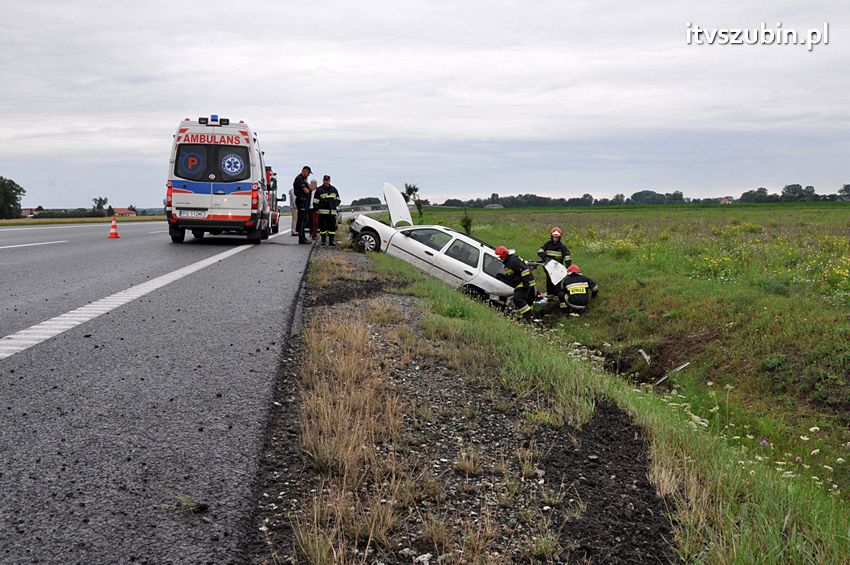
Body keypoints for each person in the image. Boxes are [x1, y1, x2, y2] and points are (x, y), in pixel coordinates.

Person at [494, 245, 537, 321]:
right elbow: (513, 275)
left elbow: (524, 270)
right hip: (523, 281)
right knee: (525, 303)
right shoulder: (509, 260)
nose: (501, 259)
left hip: (525, 282)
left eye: (501, 257)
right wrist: (502, 277)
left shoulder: (512, 261)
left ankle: (530, 318)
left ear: (504, 255)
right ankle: (521, 318)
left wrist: (526, 284)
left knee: (518, 299)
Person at [537, 226, 572, 310]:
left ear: (559, 237)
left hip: (557, 269)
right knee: (549, 281)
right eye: (554, 236)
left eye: (557, 237)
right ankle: (549, 298)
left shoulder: (562, 246)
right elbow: (540, 251)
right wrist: (545, 258)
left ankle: (556, 299)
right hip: (548, 267)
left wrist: (568, 266)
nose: (555, 238)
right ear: (551, 236)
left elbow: (567, 256)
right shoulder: (547, 244)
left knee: (556, 283)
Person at [314, 175, 341, 246]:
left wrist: (333, 205)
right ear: (323, 180)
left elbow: (338, 199)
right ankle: (323, 240)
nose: (326, 181)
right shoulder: (319, 190)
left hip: (332, 212)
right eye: (325, 180)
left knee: (332, 227)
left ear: (329, 181)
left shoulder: (334, 189)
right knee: (323, 227)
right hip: (323, 213)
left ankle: (331, 241)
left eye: (327, 180)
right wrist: (316, 209)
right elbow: (315, 201)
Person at [292, 166, 312, 244]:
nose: (308, 175)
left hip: (304, 202)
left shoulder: (303, 179)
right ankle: (301, 238)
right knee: (302, 220)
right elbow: (306, 190)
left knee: (304, 220)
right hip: (302, 201)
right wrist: (309, 188)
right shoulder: (299, 179)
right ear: (304, 171)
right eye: (308, 173)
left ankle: (303, 237)